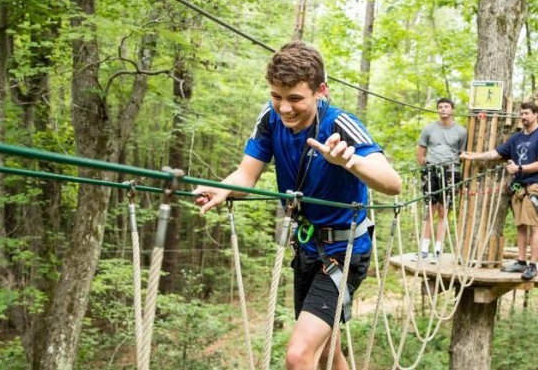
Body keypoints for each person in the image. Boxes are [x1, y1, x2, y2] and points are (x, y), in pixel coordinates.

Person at [193, 41, 401, 370]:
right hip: (306, 250)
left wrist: (349, 162)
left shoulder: (340, 124)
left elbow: (392, 183)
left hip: (344, 252)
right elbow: (245, 176)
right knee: (328, 351)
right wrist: (223, 189)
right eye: (277, 96)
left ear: (321, 91)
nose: (285, 108)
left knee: (299, 355)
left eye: (295, 99)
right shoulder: (270, 119)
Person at [460, 100, 538, 281]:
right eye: (522, 114)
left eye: (527, 113)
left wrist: (519, 169)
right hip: (518, 189)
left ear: (536, 115)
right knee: (520, 226)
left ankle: (532, 265)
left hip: (534, 187)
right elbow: (495, 154)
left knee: (534, 226)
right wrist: (472, 156)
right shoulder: (517, 138)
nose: (523, 117)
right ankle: (521, 261)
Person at [415, 98, 467, 263]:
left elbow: (462, 154)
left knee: (444, 210)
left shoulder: (461, 131)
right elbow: (420, 152)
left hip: (451, 170)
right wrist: (427, 167)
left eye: (446, 106)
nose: (443, 109)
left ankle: (438, 249)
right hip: (431, 169)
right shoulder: (429, 128)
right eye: (440, 107)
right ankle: (424, 248)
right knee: (430, 208)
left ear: (452, 109)